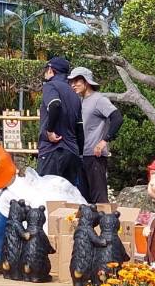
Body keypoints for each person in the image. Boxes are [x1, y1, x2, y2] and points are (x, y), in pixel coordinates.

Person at [67, 66, 123, 205]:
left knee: (99, 198)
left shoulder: (99, 99)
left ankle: (106, 225)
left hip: (95, 156)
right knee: (84, 200)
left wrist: (104, 140)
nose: (73, 85)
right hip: (80, 156)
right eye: (71, 81)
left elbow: (117, 118)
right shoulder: (78, 101)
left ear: (86, 82)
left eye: (77, 81)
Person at [37, 57, 87, 192]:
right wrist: (80, 154)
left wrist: (50, 130)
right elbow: (80, 127)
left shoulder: (50, 86)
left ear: (50, 70)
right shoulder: (75, 94)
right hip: (72, 153)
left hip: (53, 150)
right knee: (66, 198)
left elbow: (55, 104)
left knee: (46, 195)